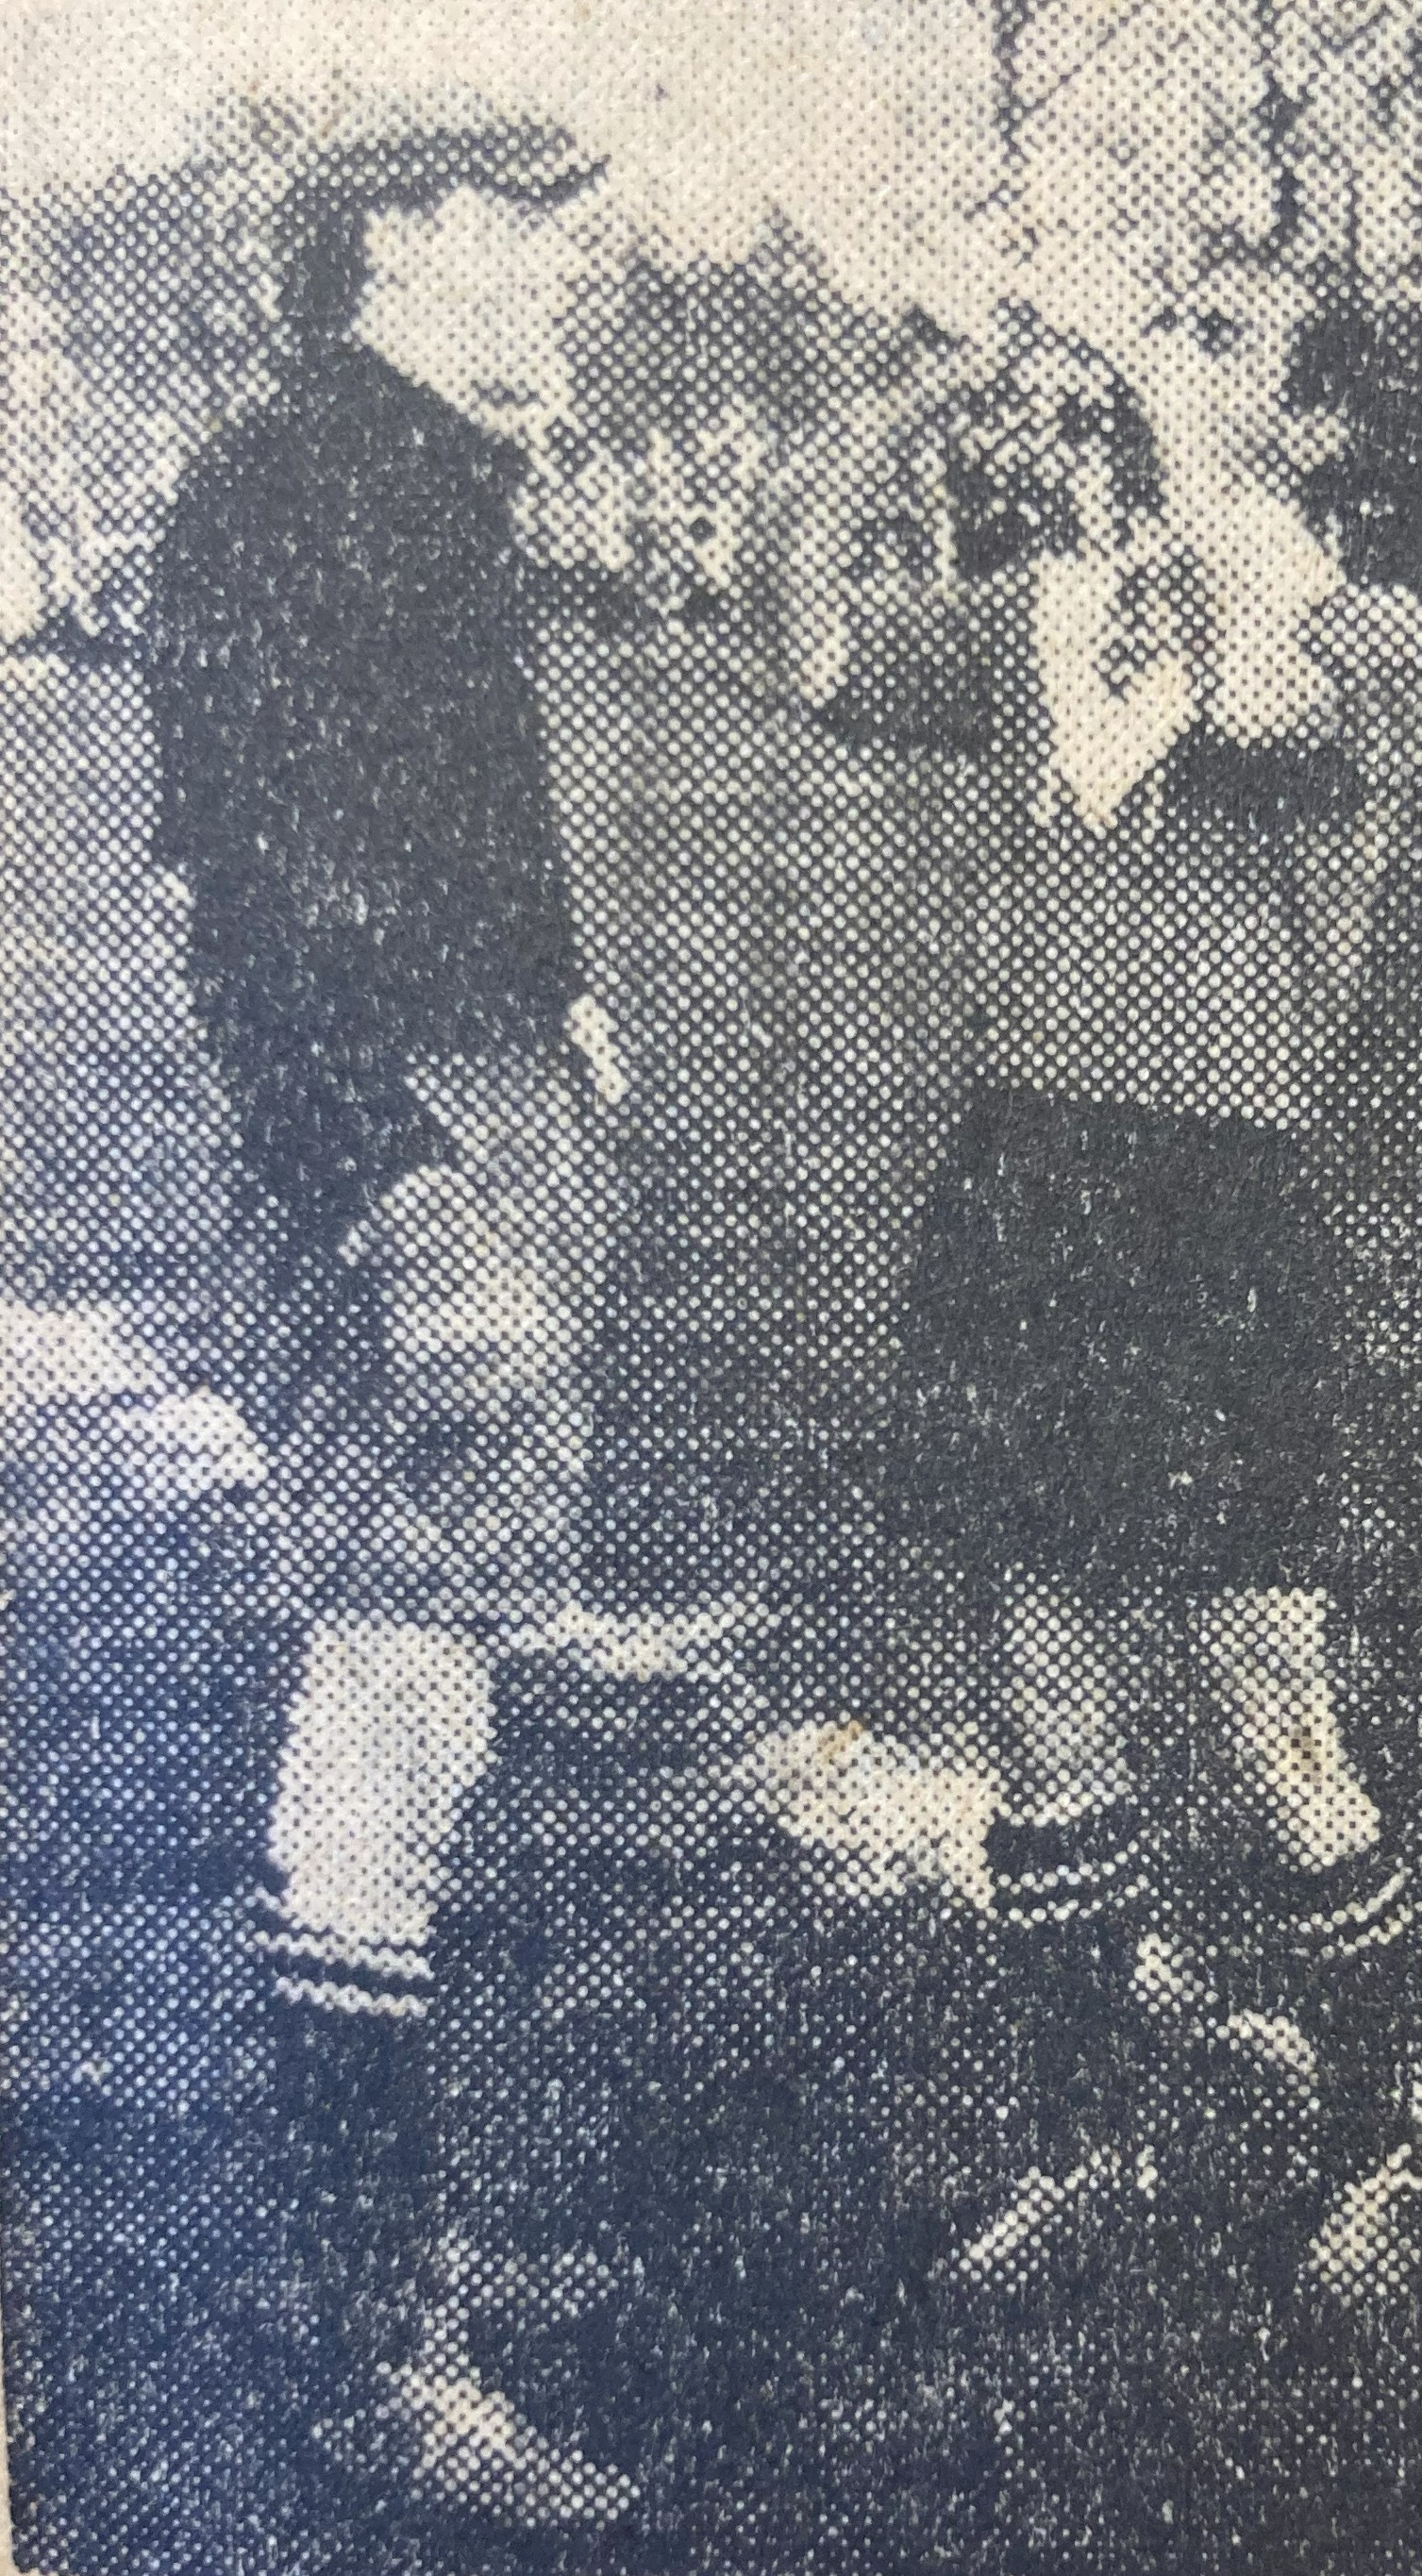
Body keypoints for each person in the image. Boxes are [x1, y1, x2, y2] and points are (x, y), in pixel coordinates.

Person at [144, 122, 644, 2515]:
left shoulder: (420, 478)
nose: (560, 271)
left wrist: (561, 1005)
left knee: (427, 1695)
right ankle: (375, 2344)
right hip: (403, 1155)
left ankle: (401, 2258)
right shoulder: (287, 489)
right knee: (393, 1692)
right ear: (409, 244)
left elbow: (428, 843)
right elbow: (254, 912)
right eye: (527, 231)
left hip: (476, 1107)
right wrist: (404, 1198)